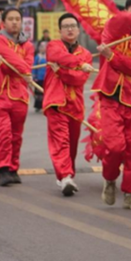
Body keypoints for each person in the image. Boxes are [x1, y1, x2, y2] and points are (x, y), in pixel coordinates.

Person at [93, 0, 131, 210]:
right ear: (126, 10)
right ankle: (109, 179)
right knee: (115, 146)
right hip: (109, 95)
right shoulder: (113, 27)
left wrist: (112, 57)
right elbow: (125, 19)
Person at [44, 13, 94, 196]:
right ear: (60, 30)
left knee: (71, 145)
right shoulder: (53, 46)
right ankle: (65, 176)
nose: (70, 29)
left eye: (73, 25)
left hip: (75, 105)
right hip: (56, 101)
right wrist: (79, 65)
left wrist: (63, 73)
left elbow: (79, 80)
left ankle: (65, 175)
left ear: (79, 29)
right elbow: (58, 57)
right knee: (60, 142)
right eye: (66, 26)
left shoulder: (87, 54)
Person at [0, 8, 34, 187]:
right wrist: (24, 70)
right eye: (11, 19)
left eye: (18, 19)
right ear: (3, 23)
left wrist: (22, 69)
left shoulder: (27, 45)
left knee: (16, 135)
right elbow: (9, 61)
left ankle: (13, 168)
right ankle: (3, 168)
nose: (15, 22)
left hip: (19, 95)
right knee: (2, 132)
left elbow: (26, 64)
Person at [32, 41, 48, 112]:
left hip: (46, 77)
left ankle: (46, 105)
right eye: (41, 47)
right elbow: (34, 67)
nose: (42, 48)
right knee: (38, 93)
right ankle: (38, 106)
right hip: (39, 77)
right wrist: (34, 76)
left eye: (44, 47)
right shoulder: (37, 57)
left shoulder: (48, 56)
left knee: (46, 92)